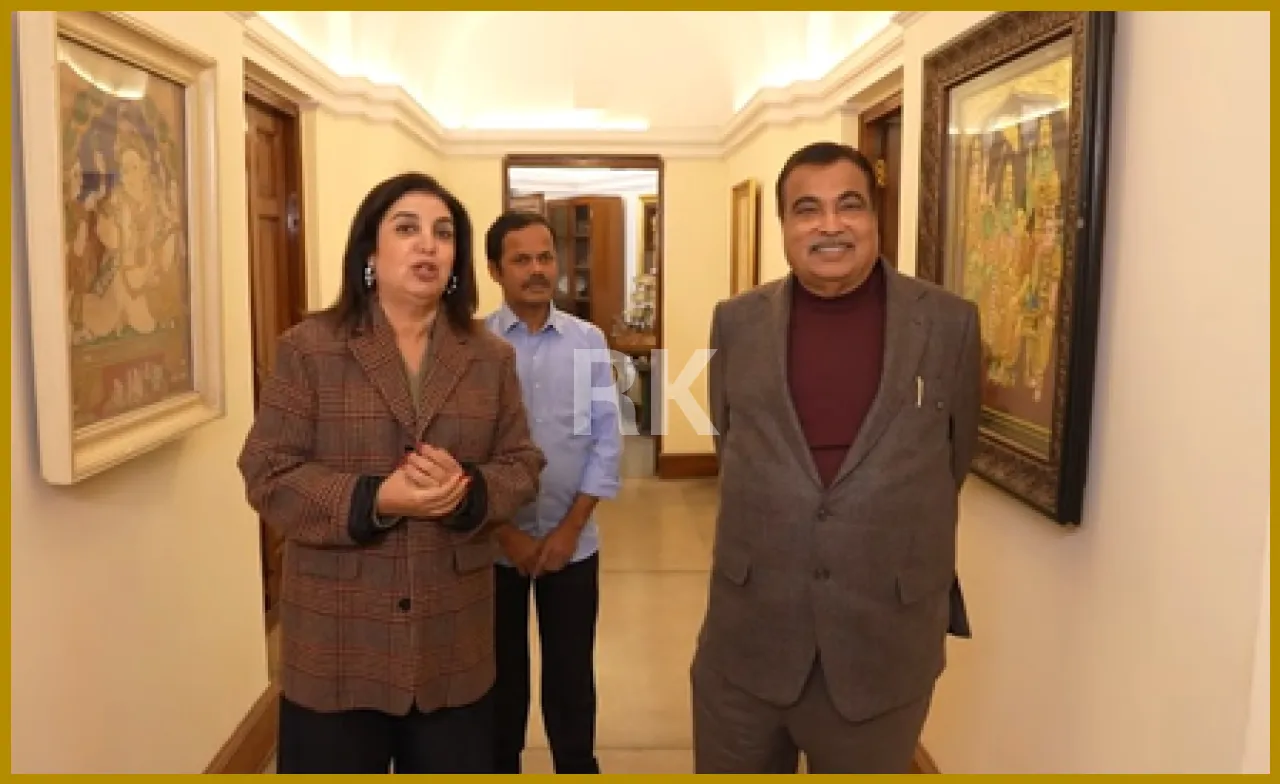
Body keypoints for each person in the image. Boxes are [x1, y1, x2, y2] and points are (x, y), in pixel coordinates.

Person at [237, 173, 546, 774]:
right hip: (336, 643)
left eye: (443, 233)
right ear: (370, 253)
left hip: (452, 642)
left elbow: (522, 465)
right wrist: (377, 498)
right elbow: (267, 471)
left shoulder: (490, 357)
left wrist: (467, 493)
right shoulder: (310, 348)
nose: (428, 244)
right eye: (407, 229)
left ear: (456, 260)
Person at [692, 141, 982, 774]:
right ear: (784, 225)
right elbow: (731, 443)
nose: (829, 225)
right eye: (807, 209)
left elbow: (951, 461)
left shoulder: (949, 325)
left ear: (875, 216)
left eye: (849, 205)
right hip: (747, 642)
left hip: (881, 648)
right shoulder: (735, 323)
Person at [482, 211, 623, 774]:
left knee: (571, 676)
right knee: (499, 679)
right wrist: (504, 533)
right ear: (495, 270)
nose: (537, 269)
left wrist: (569, 529)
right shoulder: (472, 345)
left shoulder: (588, 342)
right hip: (494, 548)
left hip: (574, 545)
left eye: (545, 257)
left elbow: (607, 439)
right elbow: (460, 452)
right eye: (521, 259)